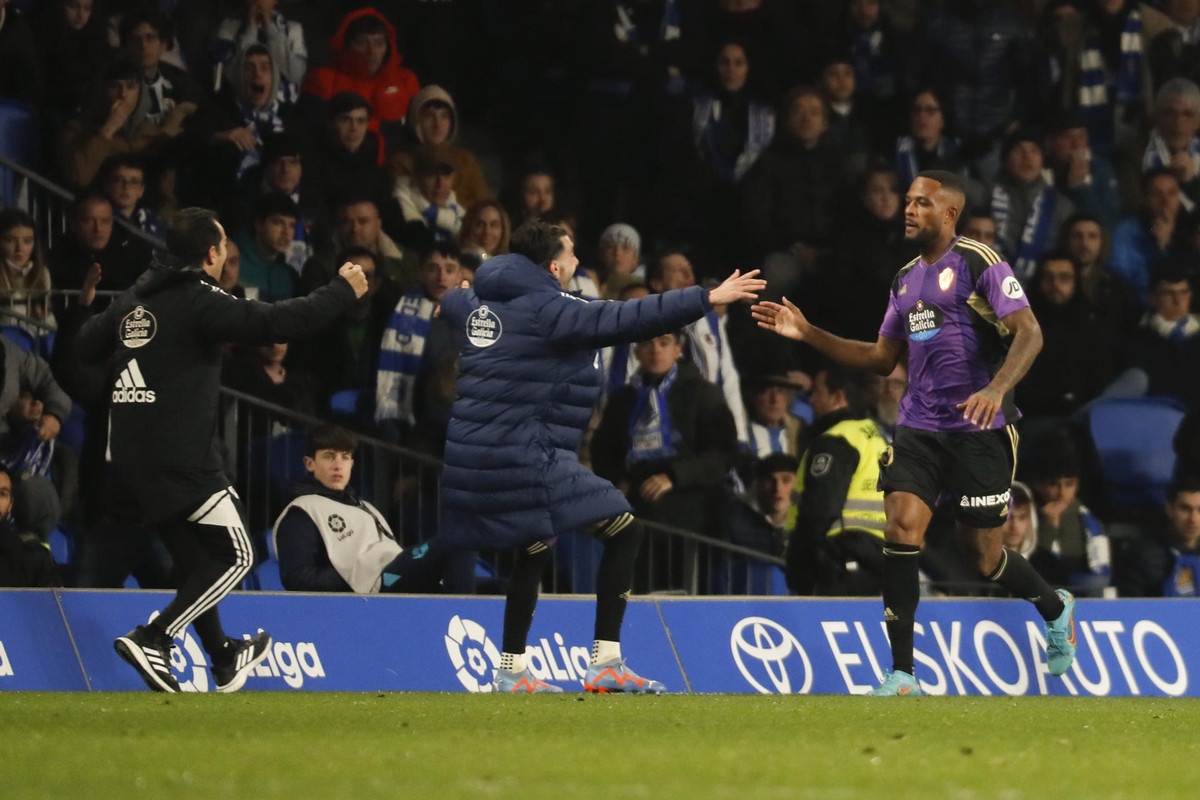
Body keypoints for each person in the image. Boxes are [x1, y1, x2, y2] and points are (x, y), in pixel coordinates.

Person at [389, 219, 764, 693]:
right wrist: (704, 299)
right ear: (553, 266)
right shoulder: (554, 309)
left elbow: (453, 303)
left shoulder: (478, 305)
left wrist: (459, 295)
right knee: (625, 529)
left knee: (533, 541)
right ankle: (605, 662)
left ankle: (510, 669)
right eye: (571, 255)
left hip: (469, 463)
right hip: (526, 458)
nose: (577, 263)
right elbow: (631, 317)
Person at [751, 169, 1077, 696]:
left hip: (980, 429)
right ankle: (902, 673)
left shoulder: (980, 262)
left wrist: (995, 389)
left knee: (985, 559)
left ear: (949, 214)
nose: (908, 210)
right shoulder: (904, 279)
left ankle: (1055, 606)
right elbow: (882, 359)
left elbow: (1030, 334)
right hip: (920, 427)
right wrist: (808, 333)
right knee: (901, 529)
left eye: (922, 203)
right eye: (907, 201)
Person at [74, 207, 369, 694]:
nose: (227, 251)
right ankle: (156, 637)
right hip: (180, 458)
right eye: (226, 243)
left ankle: (223, 655)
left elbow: (84, 346)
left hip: (126, 458)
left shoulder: (134, 298)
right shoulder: (201, 299)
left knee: (195, 560)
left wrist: (92, 310)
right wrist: (342, 290)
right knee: (238, 555)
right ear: (211, 253)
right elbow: (279, 322)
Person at [783, 364, 888, 596]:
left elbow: (820, 509)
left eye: (817, 392)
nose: (811, 400)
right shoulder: (874, 435)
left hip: (838, 560)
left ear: (838, 397)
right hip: (876, 559)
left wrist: (798, 562)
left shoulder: (835, 441)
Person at [273, 424, 406, 593]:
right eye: (329, 457)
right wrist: (363, 572)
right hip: (339, 610)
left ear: (351, 464)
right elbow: (299, 578)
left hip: (389, 593)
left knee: (435, 555)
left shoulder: (368, 508)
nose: (338, 465)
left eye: (344, 457)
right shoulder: (302, 512)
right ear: (309, 464)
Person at [1127, 476, 1200, 596]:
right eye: (1185, 509)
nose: (1193, 519)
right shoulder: (1144, 556)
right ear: (1169, 510)